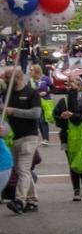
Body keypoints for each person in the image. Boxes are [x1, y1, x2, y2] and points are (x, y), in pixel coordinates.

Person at [3, 65, 43, 212]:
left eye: (7, 77)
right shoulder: (7, 93)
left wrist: (14, 111)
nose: (5, 80)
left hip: (29, 136)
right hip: (14, 138)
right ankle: (32, 201)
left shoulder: (31, 93)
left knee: (23, 168)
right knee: (21, 171)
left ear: (18, 77)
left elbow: (35, 113)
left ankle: (19, 200)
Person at [53, 72, 82, 203]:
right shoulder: (63, 101)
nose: (71, 87)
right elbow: (56, 117)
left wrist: (72, 116)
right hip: (67, 136)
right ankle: (76, 190)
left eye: (75, 85)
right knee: (72, 162)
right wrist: (62, 118)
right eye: (69, 86)